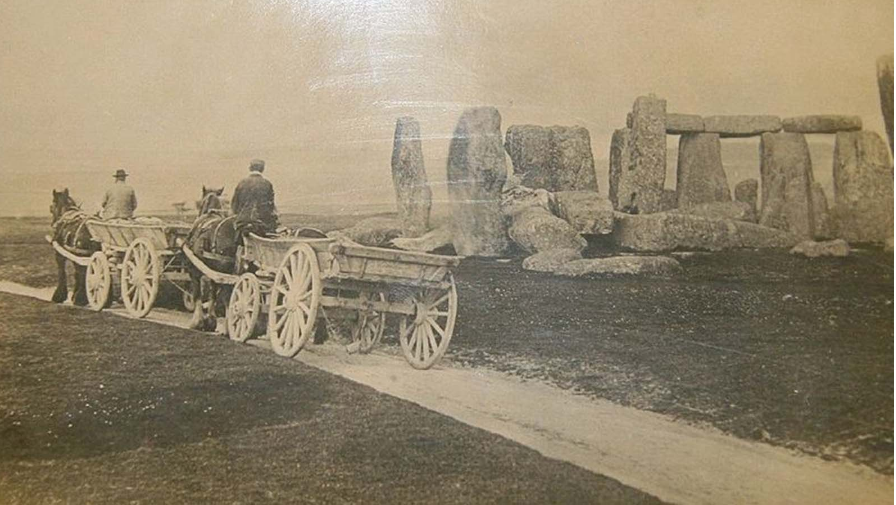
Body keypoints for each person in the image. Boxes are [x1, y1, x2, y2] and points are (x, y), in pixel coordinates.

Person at [231, 159, 279, 234]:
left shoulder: (242, 183)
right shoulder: (267, 183)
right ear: (262, 169)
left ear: (250, 168)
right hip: (263, 223)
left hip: (242, 222)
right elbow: (271, 205)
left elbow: (234, 205)